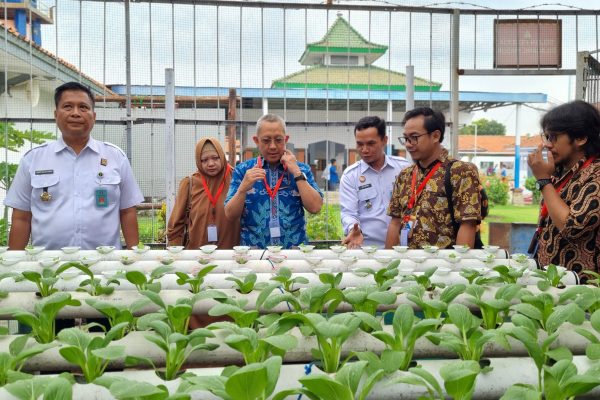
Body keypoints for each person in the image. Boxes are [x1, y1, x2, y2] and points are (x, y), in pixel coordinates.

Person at [5, 82, 143, 250]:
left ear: (94, 116)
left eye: (83, 107)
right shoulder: (33, 159)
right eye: (68, 106)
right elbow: (21, 217)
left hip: (105, 264)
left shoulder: (115, 157)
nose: (76, 113)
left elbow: (127, 211)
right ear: (56, 114)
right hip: (48, 263)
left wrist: (133, 256)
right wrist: (16, 261)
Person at [385, 107, 482, 249]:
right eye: (406, 138)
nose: (408, 144)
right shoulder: (405, 175)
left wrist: (460, 266)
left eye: (414, 137)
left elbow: (468, 224)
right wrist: (389, 263)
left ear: (436, 136)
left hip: (443, 265)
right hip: (407, 263)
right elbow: (395, 222)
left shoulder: (460, 171)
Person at [224, 114, 323, 248]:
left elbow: (315, 207)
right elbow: (230, 214)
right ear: (256, 140)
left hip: (294, 254)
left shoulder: (301, 169)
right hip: (255, 255)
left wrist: (297, 173)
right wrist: (243, 188)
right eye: (266, 140)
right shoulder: (243, 171)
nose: (272, 146)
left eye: (278, 140)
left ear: (286, 139)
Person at [527, 100, 600, 277]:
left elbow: (571, 227)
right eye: (546, 137)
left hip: (584, 290)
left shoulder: (596, 174)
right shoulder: (561, 173)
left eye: (554, 137)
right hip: (554, 282)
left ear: (581, 138)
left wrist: (544, 181)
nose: (547, 144)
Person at [340, 116, 409, 249]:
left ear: (384, 140)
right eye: (359, 144)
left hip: (403, 247)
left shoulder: (404, 168)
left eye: (371, 143)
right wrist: (353, 229)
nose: (364, 150)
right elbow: (348, 212)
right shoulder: (351, 176)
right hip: (367, 249)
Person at [167, 137, 240, 249]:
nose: (210, 164)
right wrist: (175, 254)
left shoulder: (236, 178)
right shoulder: (189, 183)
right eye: (204, 160)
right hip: (197, 257)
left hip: (231, 255)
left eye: (215, 158)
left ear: (222, 156)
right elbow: (175, 225)